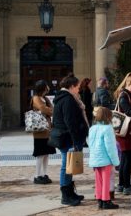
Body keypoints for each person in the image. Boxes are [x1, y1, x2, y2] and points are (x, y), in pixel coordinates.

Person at [50, 73, 88, 206]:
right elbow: (70, 122)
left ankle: (70, 192)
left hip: (66, 137)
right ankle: (66, 195)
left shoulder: (64, 97)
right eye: (77, 87)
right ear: (71, 87)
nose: (79, 89)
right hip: (67, 138)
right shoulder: (67, 99)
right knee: (66, 166)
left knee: (69, 166)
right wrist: (75, 140)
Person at [89, 106, 120, 209]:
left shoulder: (92, 128)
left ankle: (100, 199)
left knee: (98, 180)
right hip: (105, 159)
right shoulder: (108, 128)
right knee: (106, 180)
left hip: (96, 158)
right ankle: (106, 200)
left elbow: (90, 143)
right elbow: (110, 147)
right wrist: (115, 161)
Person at [31, 80, 56, 184]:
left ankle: (44, 174)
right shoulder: (35, 98)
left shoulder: (45, 98)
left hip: (47, 130)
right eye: (46, 86)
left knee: (46, 154)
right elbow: (44, 109)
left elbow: (51, 109)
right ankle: (37, 175)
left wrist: (49, 110)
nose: (48, 88)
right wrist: (49, 110)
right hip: (40, 131)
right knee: (40, 154)